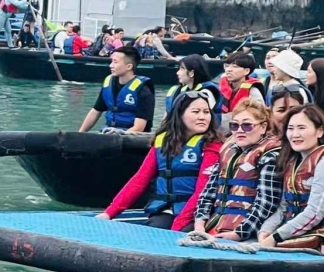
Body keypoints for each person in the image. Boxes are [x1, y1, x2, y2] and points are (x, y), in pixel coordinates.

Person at [98, 90, 222, 230]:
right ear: (180, 115)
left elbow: (203, 190)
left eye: (206, 112)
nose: (202, 117)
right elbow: (139, 180)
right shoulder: (162, 141)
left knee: (183, 232)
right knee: (155, 228)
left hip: (197, 213)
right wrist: (109, 213)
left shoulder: (212, 144)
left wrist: (178, 225)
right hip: (166, 209)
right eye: (196, 112)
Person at [193, 99, 281, 241]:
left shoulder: (270, 156)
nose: (239, 130)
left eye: (247, 125)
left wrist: (240, 233)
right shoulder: (228, 151)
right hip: (215, 224)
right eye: (234, 125)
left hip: (248, 231)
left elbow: (267, 203)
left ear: (263, 127)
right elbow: (208, 192)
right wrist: (199, 224)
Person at [260, 104, 324, 248]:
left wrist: (276, 237)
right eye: (290, 128)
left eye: (301, 128)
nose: (295, 134)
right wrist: (265, 231)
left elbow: (315, 213)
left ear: (320, 131)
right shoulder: (291, 161)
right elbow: (283, 208)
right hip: (292, 231)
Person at [78, 46, 153, 134]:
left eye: (115, 62)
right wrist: (80, 133)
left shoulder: (144, 90)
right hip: (109, 132)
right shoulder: (108, 83)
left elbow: (139, 127)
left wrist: (120, 136)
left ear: (128, 66)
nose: (111, 65)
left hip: (131, 137)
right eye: (111, 61)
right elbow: (96, 110)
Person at [217, 52, 264, 117]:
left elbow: (260, 115)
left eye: (234, 66)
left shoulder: (253, 92)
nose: (229, 70)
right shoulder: (222, 87)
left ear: (246, 71)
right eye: (227, 66)